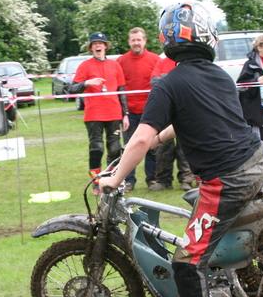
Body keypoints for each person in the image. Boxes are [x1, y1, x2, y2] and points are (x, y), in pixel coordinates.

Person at [99, 2, 263, 297]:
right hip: (256, 161)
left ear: (167, 38)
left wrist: (115, 178)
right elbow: (189, 118)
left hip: (227, 179)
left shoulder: (169, 83)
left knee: (187, 260)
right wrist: (160, 138)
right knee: (203, 224)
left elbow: (138, 139)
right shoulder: (218, 75)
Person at [69, 32, 129, 192]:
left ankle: (111, 181)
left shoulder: (115, 65)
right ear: (91, 48)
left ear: (105, 46)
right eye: (94, 44)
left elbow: (121, 90)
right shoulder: (85, 66)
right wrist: (87, 83)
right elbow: (71, 88)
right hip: (93, 115)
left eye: (100, 43)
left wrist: (126, 114)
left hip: (114, 113)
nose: (98, 46)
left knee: (115, 149)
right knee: (97, 148)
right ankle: (96, 182)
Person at [117, 27, 160, 191]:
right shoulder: (121, 61)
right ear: (129, 42)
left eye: (139, 40)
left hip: (150, 111)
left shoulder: (155, 60)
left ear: (144, 41)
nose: (136, 43)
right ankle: (129, 181)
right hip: (129, 113)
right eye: (133, 40)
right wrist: (124, 113)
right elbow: (119, 88)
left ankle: (152, 179)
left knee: (151, 146)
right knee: (129, 147)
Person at [148, 57, 197, 191]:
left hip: (185, 109)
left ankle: (187, 179)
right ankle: (163, 180)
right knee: (163, 147)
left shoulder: (188, 62)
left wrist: (167, 78)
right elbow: (154, 81)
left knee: (185, 146)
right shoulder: (162, 62)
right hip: (166, 109)